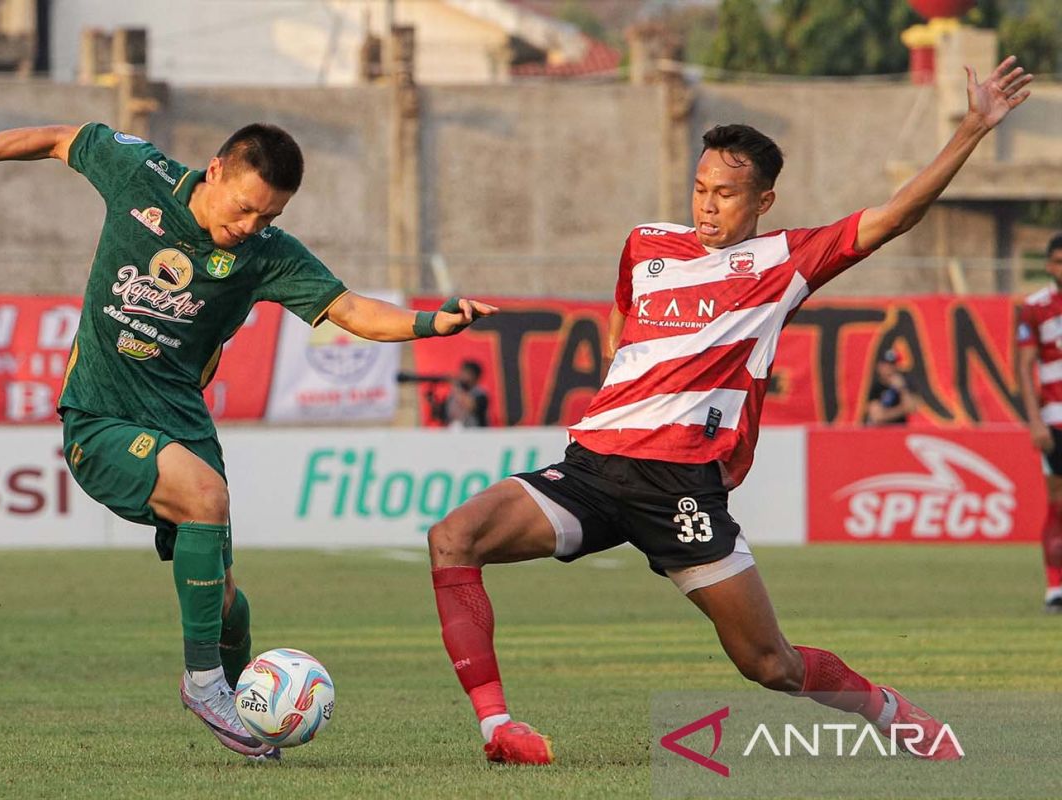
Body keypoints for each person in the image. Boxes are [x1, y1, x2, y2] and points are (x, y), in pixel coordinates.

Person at [426, 58, 1031, 764]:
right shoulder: (646, 244)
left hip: (680, 488)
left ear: (763, 203)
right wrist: (631, 387)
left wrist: (972, 127)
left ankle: (890, 711)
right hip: (592, 468)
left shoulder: (785, 263)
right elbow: (624, 310)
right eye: (700, 189)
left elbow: (898, 216)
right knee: (453, 538)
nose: (707, 206)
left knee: (770, 665)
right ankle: (500, 730)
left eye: (726, 195)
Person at [0, 121, 495, 758]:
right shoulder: (138, 175)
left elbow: (351, 309)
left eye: (269, 215)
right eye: (245, 207)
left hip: (185, 427)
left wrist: (432, 322)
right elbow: (57, 138)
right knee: (206, 496)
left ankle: (245, 715)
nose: (251, 225)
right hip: (100, 420)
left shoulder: (266, 254)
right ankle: (203, 682)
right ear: (215, 171)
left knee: (229, 605)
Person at [1015, 232, 1062, 613]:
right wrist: (1035, 422)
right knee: (1058, 505)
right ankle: (1055, 587)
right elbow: (1025, 367)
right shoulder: (1035, 307)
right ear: (1048, 265)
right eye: (1057, 261)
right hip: (1056, 420)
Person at [865, 349, 920, 425]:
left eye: (892, 365)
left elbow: (911, 408)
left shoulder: (905, 383)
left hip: (899, 430)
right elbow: (877, 416)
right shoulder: (876, 387)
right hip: (879, 431)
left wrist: (902, 389)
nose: (889, 368)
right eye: (886, 365)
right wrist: (902, 409)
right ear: (879, 366)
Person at [428, 359, 489, 428]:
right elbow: (442, 415)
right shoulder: (452, 395)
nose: (460, 375)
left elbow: (470, 406)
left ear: (474, 376)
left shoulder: (480, 394)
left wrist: (455, 385)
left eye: (465, 373)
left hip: (475, 433)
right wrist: (432, 401)